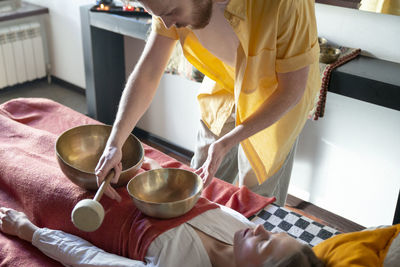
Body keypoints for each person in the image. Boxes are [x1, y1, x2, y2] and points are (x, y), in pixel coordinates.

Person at [95, 0, 321, 206]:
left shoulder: (286, 3)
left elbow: (291, 91)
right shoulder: (169, 6)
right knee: (199, 184)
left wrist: (227, 142)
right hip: (225, 81)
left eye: (173, 13)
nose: (167, 23)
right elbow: (148, 73)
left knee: (257, 201)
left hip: (275, 93)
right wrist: (116, 142)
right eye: (159, 15)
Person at [0, 206, 323, 267]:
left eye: (264, 243)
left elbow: (89, 259)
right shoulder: (237, 224)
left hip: (81, 209)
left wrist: (27, 231)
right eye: (272, 230)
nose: (260, 227)